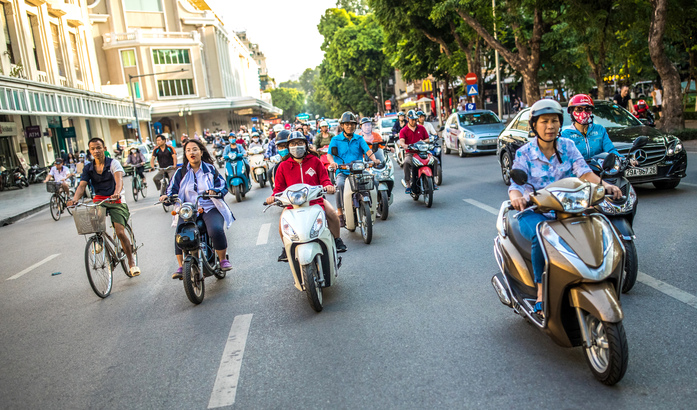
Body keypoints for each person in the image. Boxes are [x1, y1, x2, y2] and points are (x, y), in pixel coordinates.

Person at [508, 99, 622, 317]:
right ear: (534, 125)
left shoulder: (568, 147)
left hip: (569, 209)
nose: (550, 126)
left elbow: (584, 172)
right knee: (541, 236)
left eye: (554, 121)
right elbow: (516, 185)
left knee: (597, 224)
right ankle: (541, 292)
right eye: (544, 121)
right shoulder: (524, 153)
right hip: (535, 212)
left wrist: (605, 185)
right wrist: (517, 199)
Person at [266, 131, 347, 262]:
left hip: (316, 201)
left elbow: (324, 179)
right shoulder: (283, 166)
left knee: (332, 213)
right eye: (293, 144)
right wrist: (273, 197)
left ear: (305, 145)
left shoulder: (315, 161)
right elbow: (278, 188)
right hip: (293, 205)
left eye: (299, 143)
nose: (296, 146)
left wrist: (328, 186)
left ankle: (337, 239)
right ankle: (286, 248)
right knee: (282, 224)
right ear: (288, 147)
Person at [160, 139, 234, 279]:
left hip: (209, 207)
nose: (191, 152)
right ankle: (181, 266)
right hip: (188, 210)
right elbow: (171, 190)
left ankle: (222, 259)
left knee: (216, 229)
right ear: (186, 154)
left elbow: (222, 186)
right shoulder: (180, 172)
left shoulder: (210, 169)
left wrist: (214, 191)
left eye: (194, 149)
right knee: (179, 235)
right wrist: (167, 197)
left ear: (201, 151)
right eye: (188, 150)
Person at [67, 137, 140, 276]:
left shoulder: (113, 163)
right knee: (95, 226)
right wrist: (74, 199)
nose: (96, 151)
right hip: (99, 200)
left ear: (104, 149)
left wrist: (117, 193)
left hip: (116, 200)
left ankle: (131, 262)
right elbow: (82, 185)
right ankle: (99, 241)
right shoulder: (88, 167)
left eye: (98, 148)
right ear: (90, 151)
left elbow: (119, 181)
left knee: (119, 231)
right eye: (93, 149)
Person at [327, 112, 381, 227]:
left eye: (352, 124)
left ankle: (373, 207)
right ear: (342, 125)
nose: (349, 126)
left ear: (355, 126)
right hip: (343, 171)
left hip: (359, 171)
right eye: (347, 124)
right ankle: (340, 213)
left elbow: (368, 151)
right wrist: (332, 163)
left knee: (374, 181)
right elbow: (329, 155)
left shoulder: (359, 138)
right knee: (340, 185)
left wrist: (374, 159)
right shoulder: (335, 140)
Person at [560, 94, 620, 160]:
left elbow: (611, 151)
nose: (583, 112)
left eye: (587, 109)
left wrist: (622, 159)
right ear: (571, 111)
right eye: (579, 109)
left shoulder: (600, 130)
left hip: (599, 169)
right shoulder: (565, 135)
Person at [399, 109, 430, 193]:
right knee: (406, 162)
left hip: (421, 152)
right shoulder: (403, 130)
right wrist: (405, 145)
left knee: (433, 160)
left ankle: (433, 181)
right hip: (410, 153)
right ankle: (408, 183)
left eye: (415, 119)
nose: (414, 121)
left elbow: (428, 139)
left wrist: (424, 141)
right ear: (408, 119)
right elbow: (401, 141)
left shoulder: (421, 128)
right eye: (412, 119)